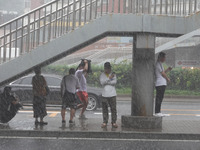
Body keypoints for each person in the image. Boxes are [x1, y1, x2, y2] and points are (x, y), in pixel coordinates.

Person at [100, 62, 118, 128]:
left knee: (113, 109)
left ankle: (114, 122)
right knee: (105, 109)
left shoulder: (113, 74)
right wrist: (109, 78)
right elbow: (102, 83)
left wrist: (107, 81)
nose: (108, 70)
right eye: (106, 68)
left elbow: (114, 82)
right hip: (104, 94)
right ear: (104, 68)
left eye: (109, 68)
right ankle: (105, 122)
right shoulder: (102, 75)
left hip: (112, 94)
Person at [155, 52, 172, 117]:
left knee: (160, 98)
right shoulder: (157, 64)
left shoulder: (160, 64)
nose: (165, 58)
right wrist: (167, 79)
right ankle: (157, 112)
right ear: (160, 57)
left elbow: (163, 72)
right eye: (164, 57)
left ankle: (158, 111)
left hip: (161, 83)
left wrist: (168, 69)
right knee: (159, 98)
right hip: (160, 83)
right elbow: (162, 74)